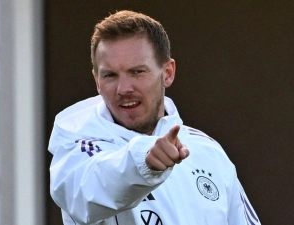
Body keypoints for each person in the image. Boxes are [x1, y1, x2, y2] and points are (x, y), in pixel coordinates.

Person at [48, 10, 260, 225]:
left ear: (168, 73)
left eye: (137, 72)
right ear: (97, 81)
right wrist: (143, 162)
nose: (123, 88)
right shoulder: (78, 151)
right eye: (110, 75)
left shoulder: (208, 151)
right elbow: (89, 193)